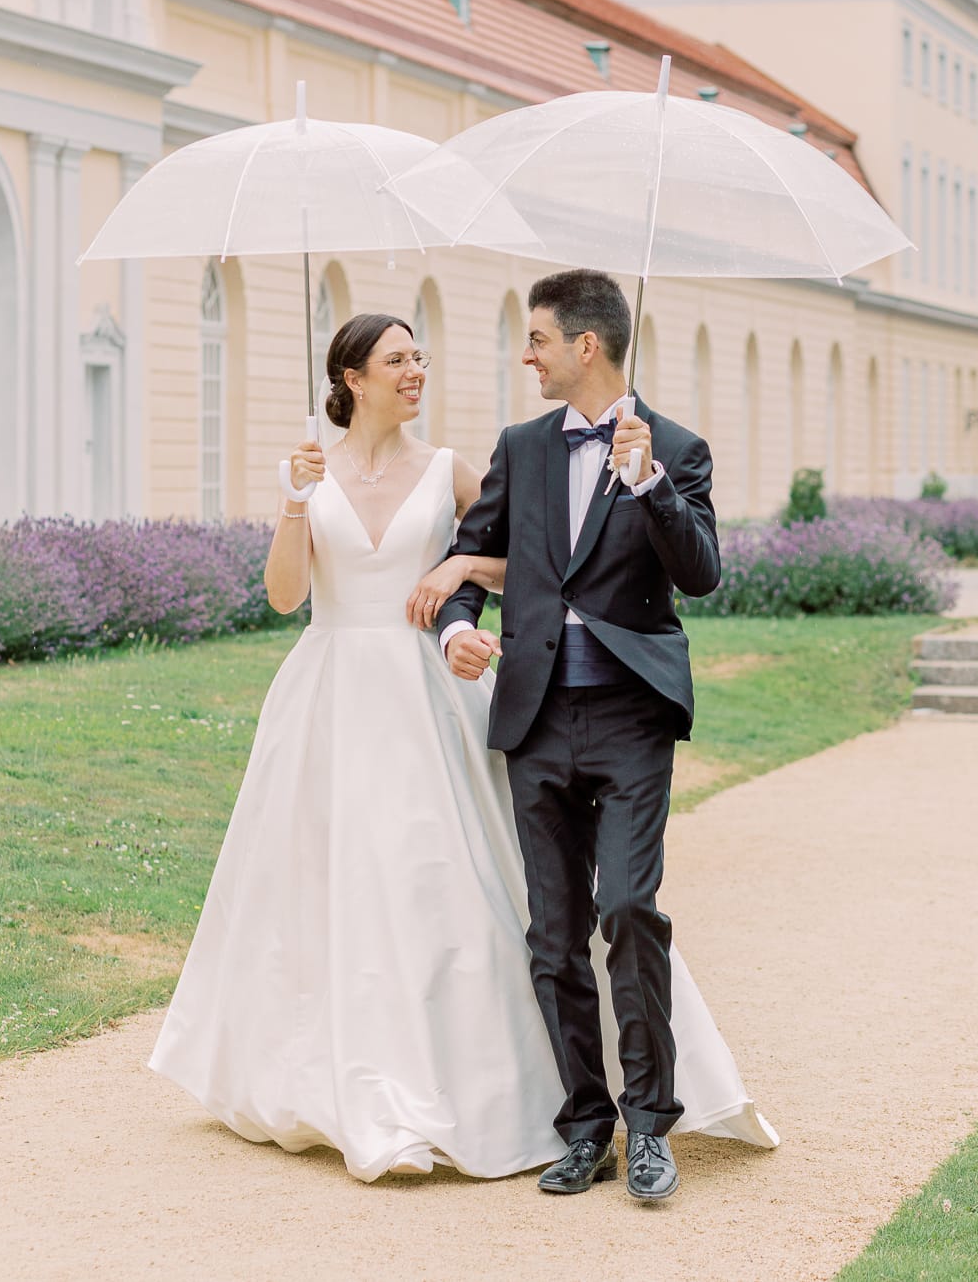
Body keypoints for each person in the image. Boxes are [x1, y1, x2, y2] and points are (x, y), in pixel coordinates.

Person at [150, 309, 777, 1184]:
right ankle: (356, 1082)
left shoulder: (452, 467)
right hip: (330, 692)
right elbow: (286, 595)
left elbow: (537, 560)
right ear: (352, 377)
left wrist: (455, 576)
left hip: (428, 697)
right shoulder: (314, 469)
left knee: (451, 880)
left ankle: (604, 1110)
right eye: (397, 359)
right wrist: (295, 501)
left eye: (420, 356)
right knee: (336, 887)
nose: (416, 370)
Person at [437, 268, 732, 1202]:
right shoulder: (521, 447)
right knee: (554, 935)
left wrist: (646, 483)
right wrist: (456, 629)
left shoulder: (675, 448)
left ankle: (651, 1126)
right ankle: (584, 1123)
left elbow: (702, 575)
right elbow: (471, 560)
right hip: (534, 715)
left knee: (627, 909)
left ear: (586, 346)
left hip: (631, 716)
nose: (526, 355)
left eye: (537, 339)